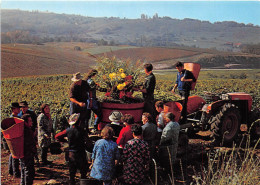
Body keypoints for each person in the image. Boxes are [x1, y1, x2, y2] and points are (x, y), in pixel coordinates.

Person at [55, 113, 90, 185]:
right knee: (83, 173)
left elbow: (57, 136)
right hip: (81, 154)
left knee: (72, 174)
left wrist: (65, 141)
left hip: (71, 154)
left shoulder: (68, 131)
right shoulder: (83, 131)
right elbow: (88, 143)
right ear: (79, 122)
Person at [20, 114, 37, 185]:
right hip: (28, 154)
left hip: (23, 154)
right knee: (28, 172)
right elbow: (30, 143)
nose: (32, 122)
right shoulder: (27, 131)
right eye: (30, 121)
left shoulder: (21, 129)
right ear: (25, 122)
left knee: (23, 170)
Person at [8, 102, 22, 178]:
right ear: (13, 109)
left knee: (12, 155)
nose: (19, 109)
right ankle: (15, 172)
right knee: (15, 156)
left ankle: (11, 171)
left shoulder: (16, 117)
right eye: (18, 108)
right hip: (14, 138)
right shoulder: (12, 119)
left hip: (15, 138)